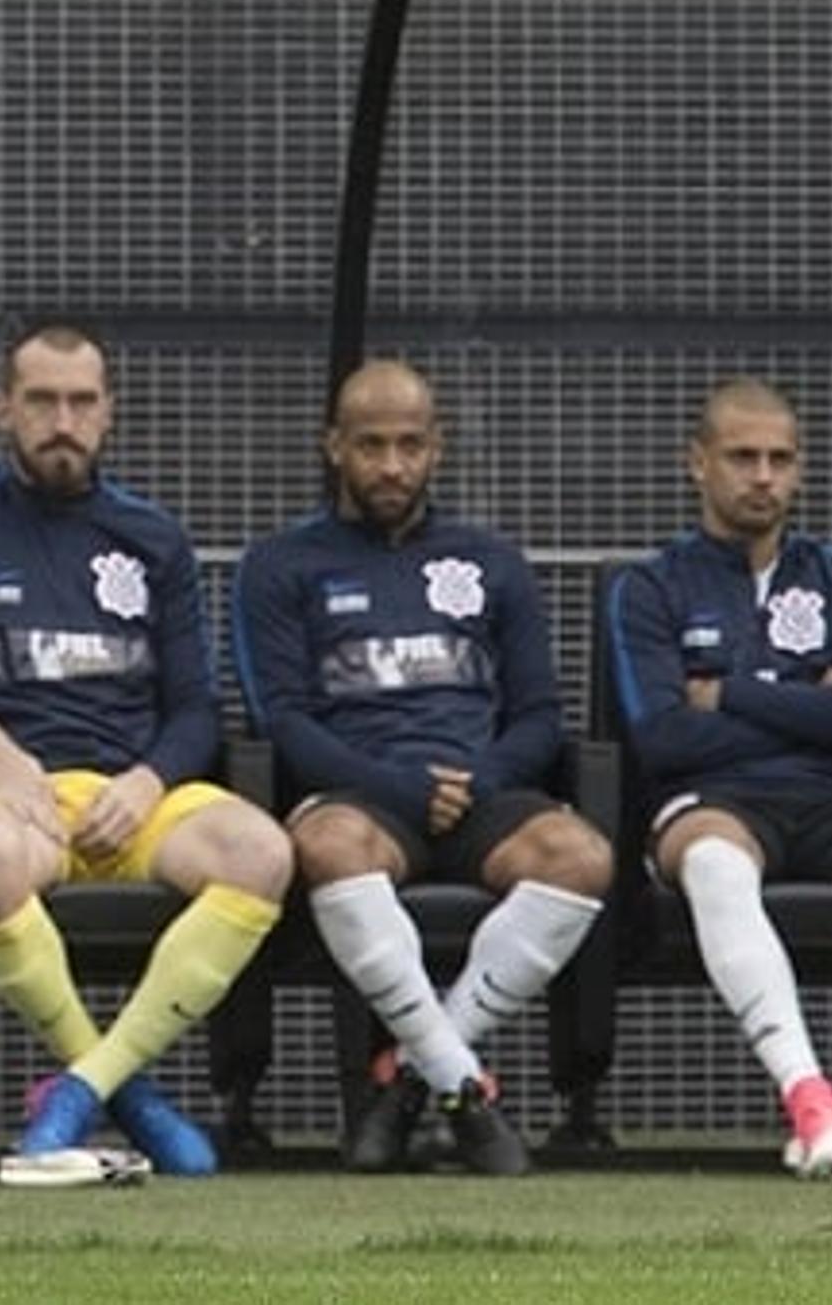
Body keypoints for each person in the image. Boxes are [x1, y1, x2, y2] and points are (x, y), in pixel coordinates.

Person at [0, 323, 293, 1177]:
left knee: (263, 850)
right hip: (12, 801)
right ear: (3, 408)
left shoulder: (153, 537)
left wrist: (151, 778)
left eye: (82, 401)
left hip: (135, 796)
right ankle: (133, 1098)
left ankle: (86, 1090)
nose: (63, 420)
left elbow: (198, 706)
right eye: (42, 400)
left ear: (108, 413)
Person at [233, 360, 610, 1176]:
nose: (392, 465)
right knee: (329, 846)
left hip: (481, 791)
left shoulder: (490, 561)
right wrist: (399, 785)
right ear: (334, 447)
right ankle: (466, 1091)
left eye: (410, 444)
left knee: (582, 857)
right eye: (371, 445)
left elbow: (541, 714)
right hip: (362, 796)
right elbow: (282, 720)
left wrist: (478, 780)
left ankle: (409, 1080)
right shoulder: (280, 565)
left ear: (437, 447)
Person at [606, 376, 832, 1178]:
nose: (762, 476)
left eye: (780, 459)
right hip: (714, 803)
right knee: (715, 863)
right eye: (742, 457)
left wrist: (731, 692)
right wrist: (810, 696)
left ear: (800, 469)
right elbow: (663, 736)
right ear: (698, 464)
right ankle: (803, 1092)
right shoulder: (649, 586)